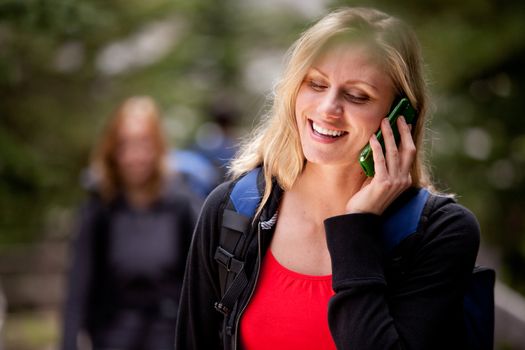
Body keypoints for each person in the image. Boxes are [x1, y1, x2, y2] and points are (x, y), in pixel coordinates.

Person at [175, 6, 480, 350]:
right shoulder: (233, 210)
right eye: (316, 84)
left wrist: (356, 227)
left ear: (400, 115)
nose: (327, 108)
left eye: (357, 95)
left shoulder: (441, 233)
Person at [61, 96, 200, 350]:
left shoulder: (181, 205)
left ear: (158, 147)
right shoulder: (100, 209)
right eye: (126, 145)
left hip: (168, 334)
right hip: (113, 334)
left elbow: (199, 284)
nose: (135, 157)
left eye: (144, 144)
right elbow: (79, 285)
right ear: (113, 150)